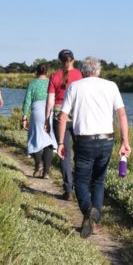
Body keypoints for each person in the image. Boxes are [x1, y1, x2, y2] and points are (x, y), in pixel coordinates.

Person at [57, 56, 131, 238]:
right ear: (98, 71)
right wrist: (125, 141)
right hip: (107, 140)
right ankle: (94, 222)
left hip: (84, 141)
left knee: (81, 181)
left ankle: (88, 210)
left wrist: (60, 142)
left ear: (82, 71)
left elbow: (62, 116)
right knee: (98, 181)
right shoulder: (111, 86)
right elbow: (121, 114)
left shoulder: (75, 86)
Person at [45, 49, 83, 201]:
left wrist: (46, 120)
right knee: (80, 153)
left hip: (59, 115)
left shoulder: (54, 76)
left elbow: (50, 102)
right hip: (77, 115)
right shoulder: (80, 75)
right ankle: (82, 187)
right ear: (73, 60)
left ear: (59, 61)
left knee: (64, 154)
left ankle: (68, 190)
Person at [22, 64, 57, 179]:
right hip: (49, 111)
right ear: (47, 71)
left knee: (34, 138)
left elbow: (27, 101)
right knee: (49, 141)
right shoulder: (50, 82)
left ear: (36, 71)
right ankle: (46, 172)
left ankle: (38, 165)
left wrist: (24, 117)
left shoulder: (33, 83)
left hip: (37, 111)